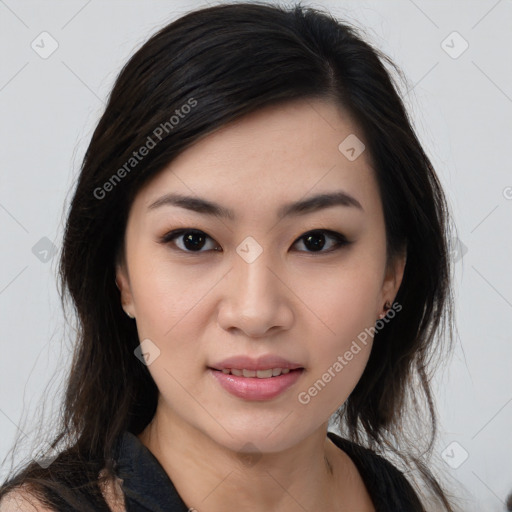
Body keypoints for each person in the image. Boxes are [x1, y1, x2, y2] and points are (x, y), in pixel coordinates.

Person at [0, 2, 461, 511]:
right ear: (121, 275)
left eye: (316, 241)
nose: (255, 311)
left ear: (391, 275)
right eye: (193, 240)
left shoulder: (409, 499)